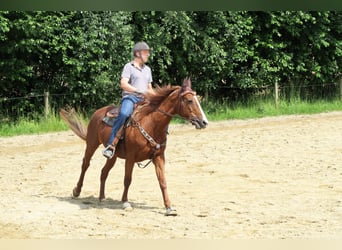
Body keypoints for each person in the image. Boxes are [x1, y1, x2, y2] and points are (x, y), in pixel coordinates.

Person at [102, 41, 154, 159]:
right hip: (131, 97)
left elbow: (149, 88)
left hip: (144, 100)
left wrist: (155, 98)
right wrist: (137, 90)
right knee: (124, 113)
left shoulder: (148, 70)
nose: (148, 55)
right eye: (146, 53)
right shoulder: (128, 67)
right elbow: (123, 84)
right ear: (138, 53)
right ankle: (111, 145)